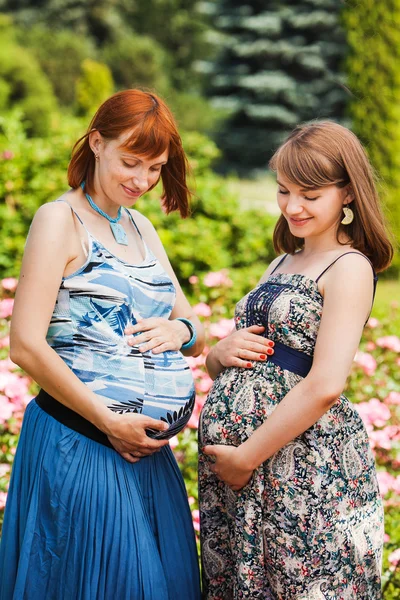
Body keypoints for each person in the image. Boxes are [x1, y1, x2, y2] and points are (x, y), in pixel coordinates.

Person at [0, 89, 204, 600]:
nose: (142, 181)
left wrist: (180, 332)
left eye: (155, 168)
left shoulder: (142, 227)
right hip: (81, 441)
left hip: (146, 455)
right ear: (96, 142)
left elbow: (191, 327)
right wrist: (109, 421)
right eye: (130, 163)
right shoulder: (58, 221)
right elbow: (24, 344)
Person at [198, 120, 393, 600]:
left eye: (310, 193)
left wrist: (246, 456)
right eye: (284, 191)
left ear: (347, 193)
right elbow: (259, 357)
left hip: (299, 467)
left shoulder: (349, 268)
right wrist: (218, 356)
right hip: (246, 477)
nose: (292, 207)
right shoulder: (281, 262)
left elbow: (325, 383)